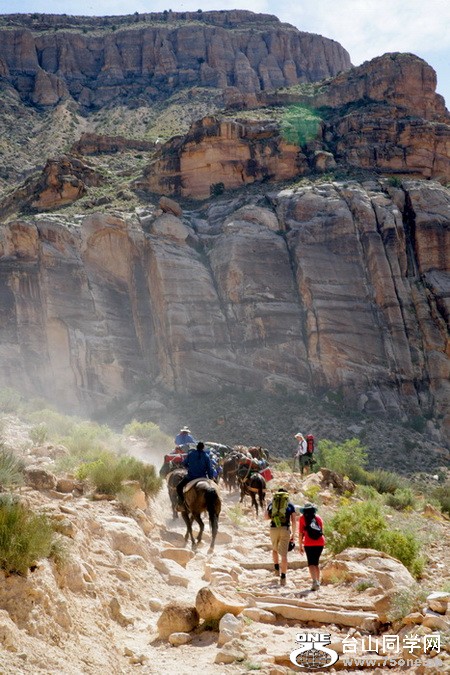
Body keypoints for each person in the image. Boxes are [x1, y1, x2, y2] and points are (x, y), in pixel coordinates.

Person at [265, 487, 296, 587]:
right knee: (284, 554)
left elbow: (266, 517)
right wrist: (293, 534)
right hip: (285, 529)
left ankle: (276, 569)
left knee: (274, 550)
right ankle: (283, 577)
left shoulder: (272, 503)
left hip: (273, 529)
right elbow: (294, 521)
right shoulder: (290, 504)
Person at [176, 441, 214, 506]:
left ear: (196, 447)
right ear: (203, 448)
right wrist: (211, 478)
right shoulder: (206, 456)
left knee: (179, 487)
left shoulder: (191, 454)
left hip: (191, 477)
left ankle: (181, 503)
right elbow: (209, 469)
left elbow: (184, 463)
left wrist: (189, 467)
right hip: (202, 477)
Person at [298, 502, 325, 591]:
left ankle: (314, 582)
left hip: (309, 543)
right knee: (316, 563)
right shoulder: (318, 518)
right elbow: (321, 531)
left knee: (311, 563)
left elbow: (301, 533)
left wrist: (300, 546)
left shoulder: (302, 518)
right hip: (320, 542)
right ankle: (318, 581)